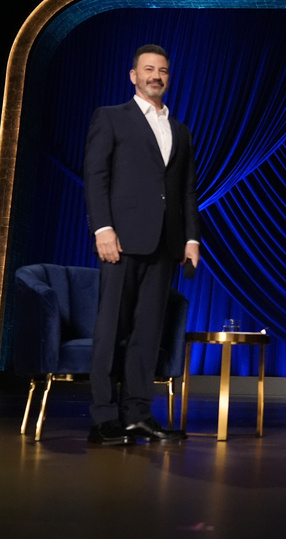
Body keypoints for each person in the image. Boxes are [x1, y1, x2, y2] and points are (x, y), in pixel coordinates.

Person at [84, 44, 202, 445]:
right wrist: (103, 228)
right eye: (149, 69)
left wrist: (190, 238)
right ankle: (103, 417)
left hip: (165, 244)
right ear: (133, 76)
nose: (157, 76)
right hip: (120, 240)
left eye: (163, 70)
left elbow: (186, 190)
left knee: (147, 333)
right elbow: (96, 175)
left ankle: (137, 413)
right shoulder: (111, 118)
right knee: (110, 328)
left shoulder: (180, 129)